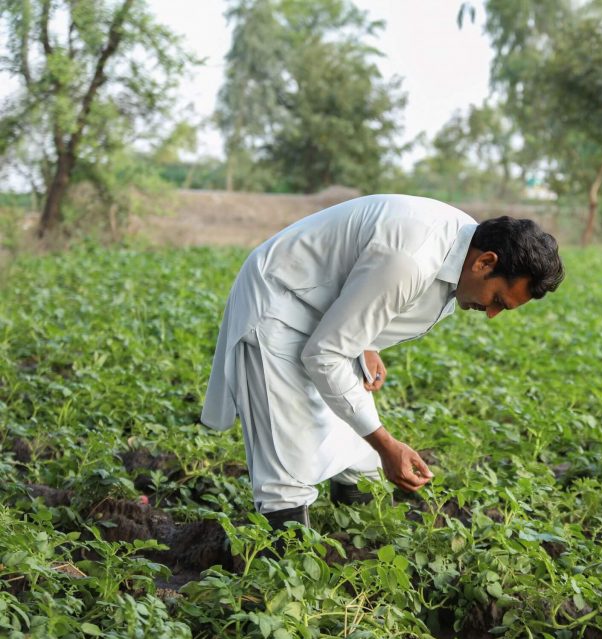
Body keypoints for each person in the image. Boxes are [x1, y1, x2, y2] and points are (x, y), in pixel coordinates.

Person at [200, 194, 565, 529]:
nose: (492, 314)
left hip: (321, 310)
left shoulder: (466, 244)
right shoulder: (411, 259)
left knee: (358, 450)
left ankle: (354, 536)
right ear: (485, 263)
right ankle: (279, 562)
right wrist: (387, 444)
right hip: (280, 304)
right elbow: (325, 354)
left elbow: (366, 288)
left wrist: (365, 340)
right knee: (286, 458)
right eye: (498, 300)